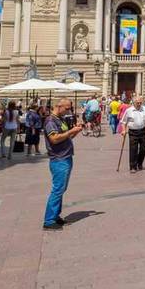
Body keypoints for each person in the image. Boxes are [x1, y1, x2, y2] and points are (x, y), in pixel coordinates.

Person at [42, 98, 83, 230]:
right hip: (58, 159)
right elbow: (54, 139)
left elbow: (66, 137)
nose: (68, 111)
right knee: (58, 189)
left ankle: (55, 215)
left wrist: (75, 130)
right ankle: (49, 220)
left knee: (61, 189)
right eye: (67, 108)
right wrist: (71, 132)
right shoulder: (50, 121)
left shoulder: (60, 120)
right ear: (58, 106)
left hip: (66, 157)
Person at [120, 95, 145, 173]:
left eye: (140, 103)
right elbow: (123, 122)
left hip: (143, 131)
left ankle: (139, 162)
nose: (139, 104)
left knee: (144, 148)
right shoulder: (129, 110)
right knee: (133, 149)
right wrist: (123, 130)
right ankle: (132, 166)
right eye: (137, 103)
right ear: (134, 103)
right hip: (133, 132)